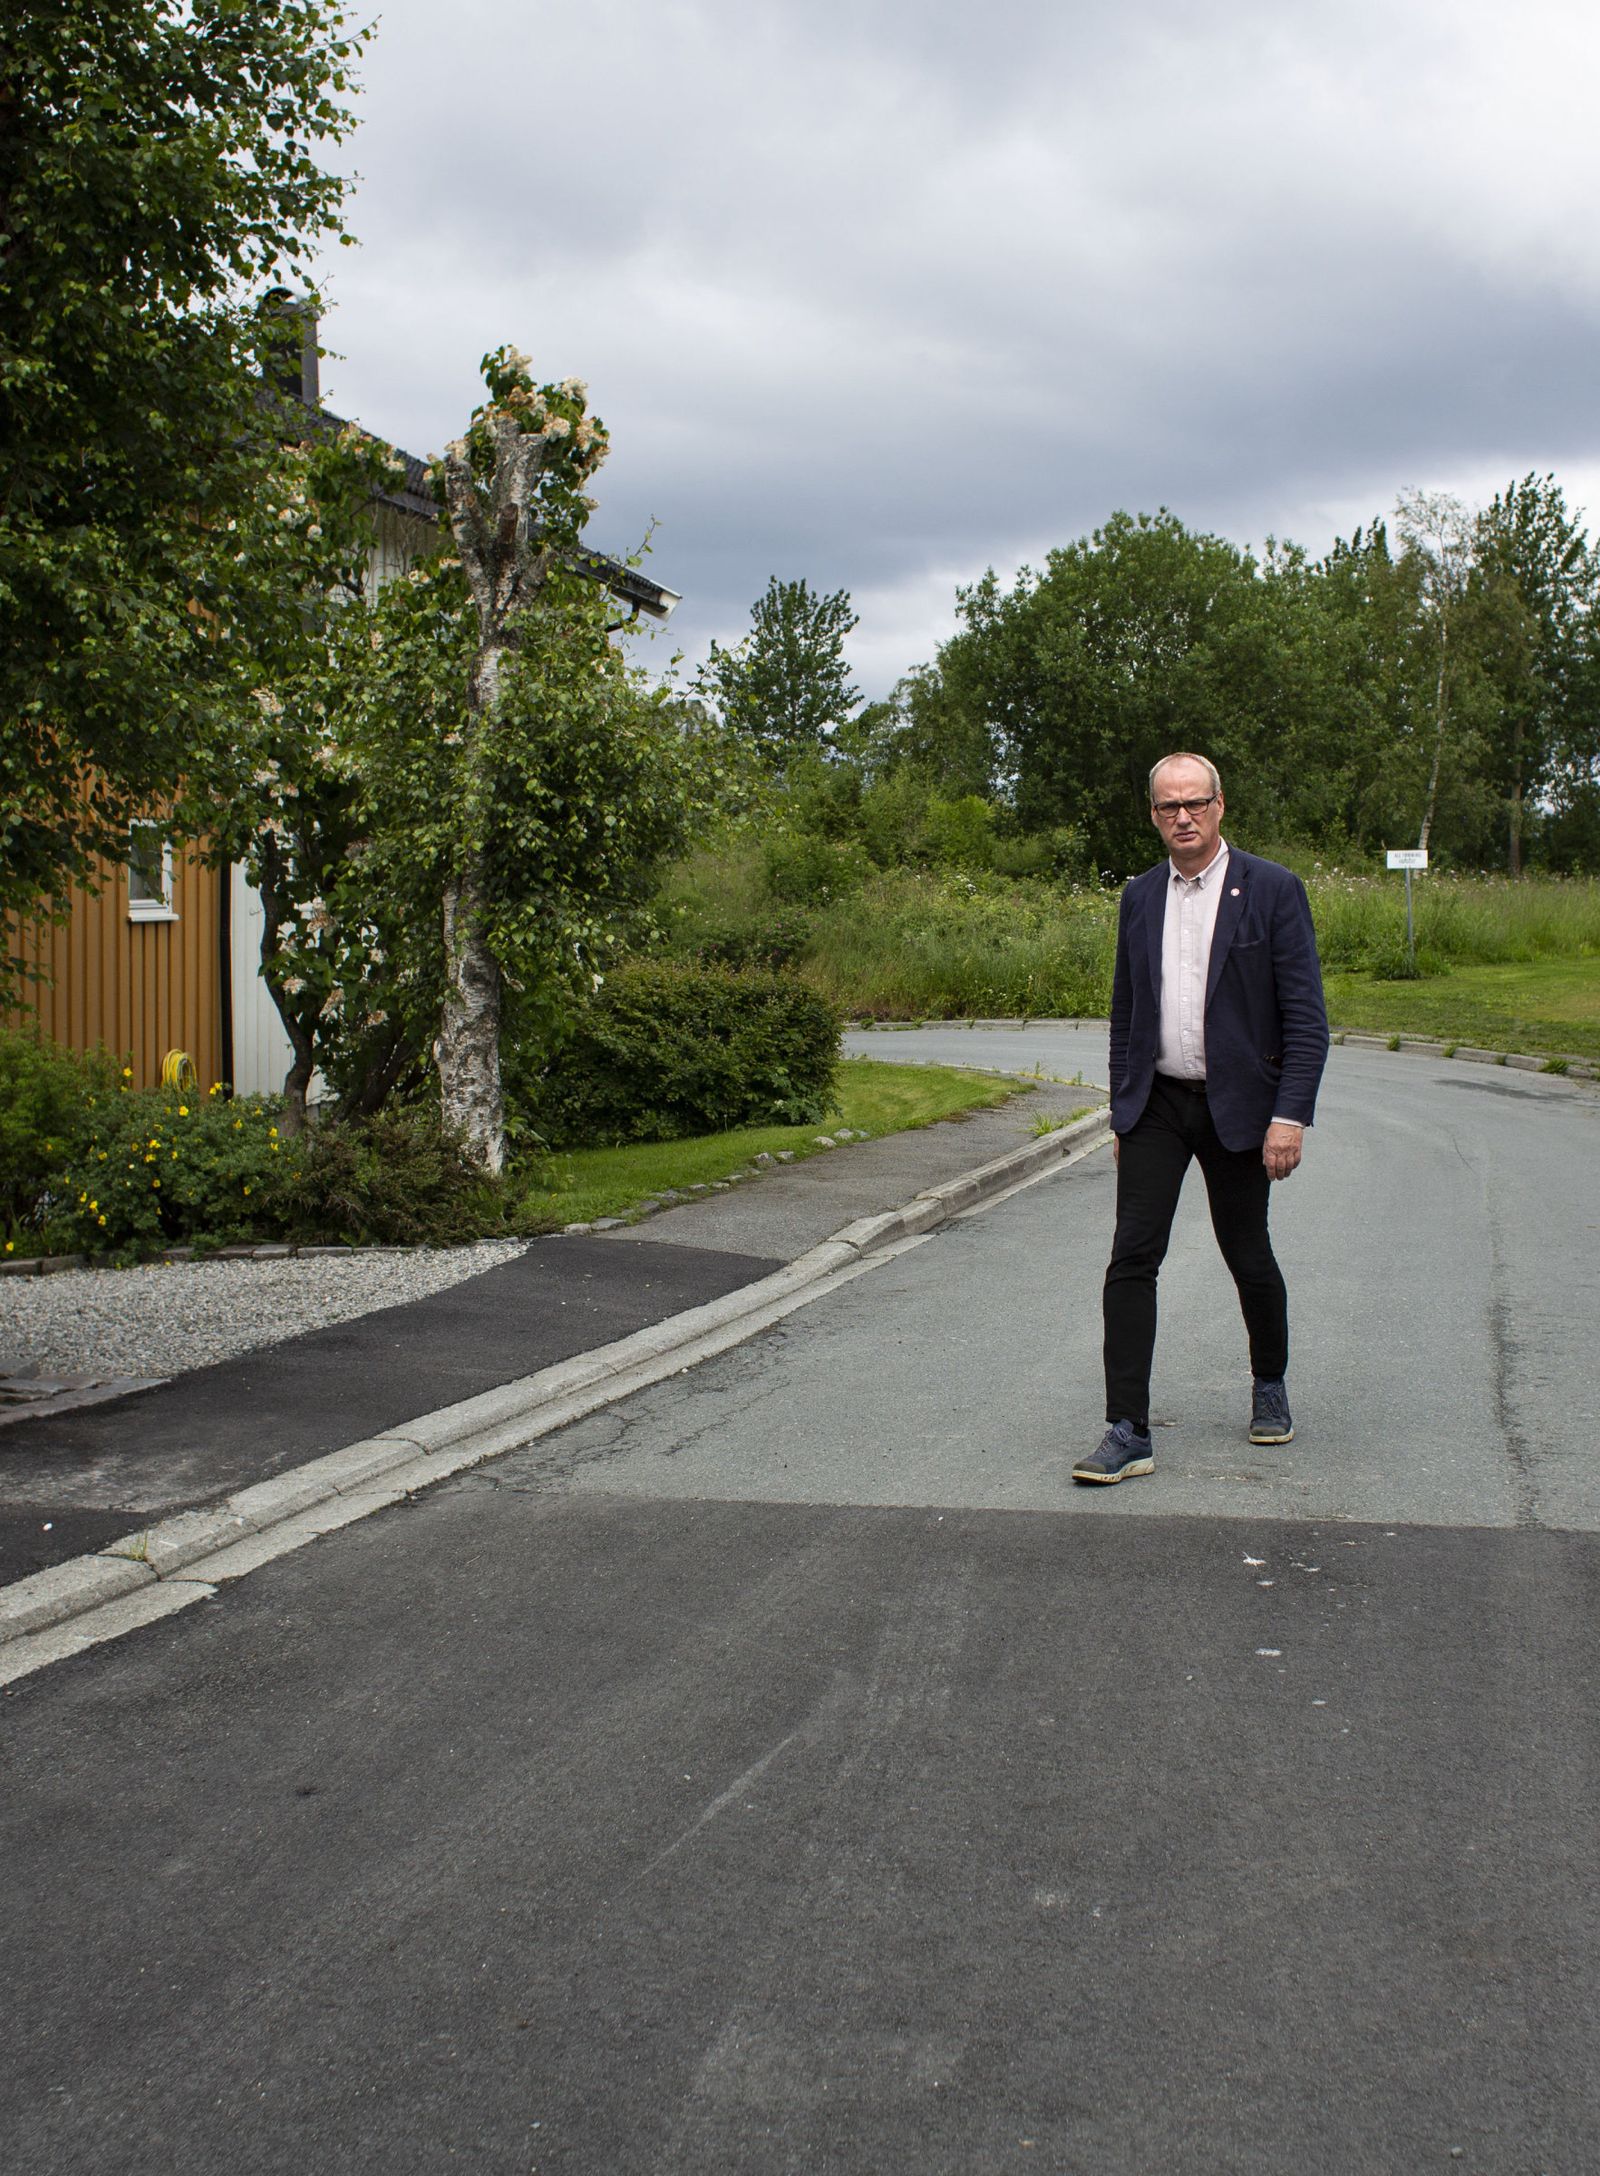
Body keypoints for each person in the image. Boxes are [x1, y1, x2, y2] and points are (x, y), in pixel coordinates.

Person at [1073, 752, 1330, 1484]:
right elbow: (1127, 1013)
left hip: (1240, 1109)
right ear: (1153, 815)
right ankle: (1127, 1428)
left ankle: (1269, 1382)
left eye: (1194, 803)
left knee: (1246, 1252)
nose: (1182, 817)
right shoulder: (1139, 896)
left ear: (1219, 806)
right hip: (1157, 1103)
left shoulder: (1272, 889)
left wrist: (1289, 1116)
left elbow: (1306, 1019)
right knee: (1132, 1257)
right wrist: (1122, 1110)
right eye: (1168, 806)